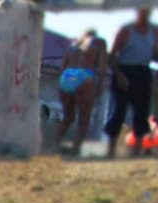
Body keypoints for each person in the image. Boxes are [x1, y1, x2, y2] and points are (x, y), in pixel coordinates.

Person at [105, 7, 156, 159]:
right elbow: (111, 57)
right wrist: (119, 76)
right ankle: (110, 151)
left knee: (142, 112)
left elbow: (154, 55)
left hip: (143, 72)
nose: (144, 13)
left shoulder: (154, 31)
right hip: (124, 70)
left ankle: (136, 153)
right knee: (118, 111)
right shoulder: (126, 30)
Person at [56, 29, 108, 155]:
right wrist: (100, 84)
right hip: (84, 76)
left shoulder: (74, 44)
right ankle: (76, 149)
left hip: (67, 76)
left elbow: (62, 68)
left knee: (68, 117)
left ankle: (54, 145)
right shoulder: (99, 43)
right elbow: (101, 68)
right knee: (84, 119)